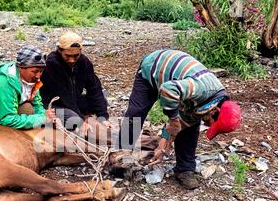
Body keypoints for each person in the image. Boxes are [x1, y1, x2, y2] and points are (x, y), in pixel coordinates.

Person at [119, 49, 242, 189]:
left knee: (191, 127)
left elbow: (183, 123)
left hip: (175, 81)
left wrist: (163, 145)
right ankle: (120, 161)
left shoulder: (210, 104)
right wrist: (173, 118)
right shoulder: (202, 89)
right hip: (153, 68)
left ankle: (185, 169)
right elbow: (168, 89)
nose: (207, 125)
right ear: (216, 110)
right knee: (135, 115)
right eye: (211, 123)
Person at [40, 31, 110, 136]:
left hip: (74, 100)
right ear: (59, 50)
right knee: (74, 118)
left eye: (76, 56)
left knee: (102, 100)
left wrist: (103, 117)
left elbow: (94, 88)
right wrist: (82, 120)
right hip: (54, 104)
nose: (72, 60)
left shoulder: (84, 62)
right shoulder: (52, 64)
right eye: (67, 56)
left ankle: (86, 118)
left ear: (80, 51)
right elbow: (64, 96)